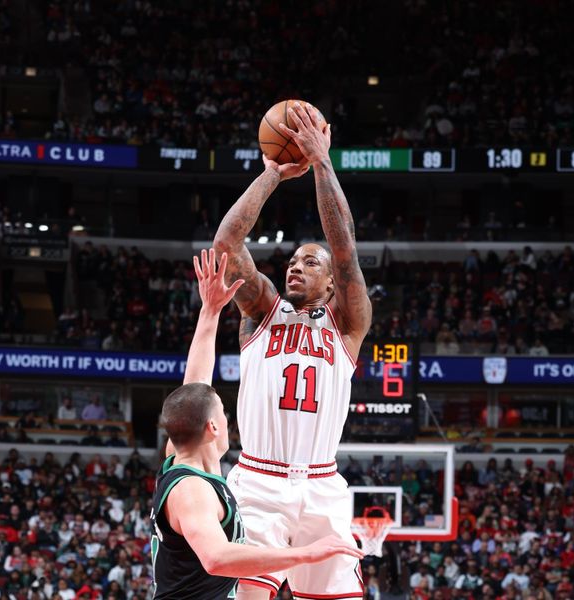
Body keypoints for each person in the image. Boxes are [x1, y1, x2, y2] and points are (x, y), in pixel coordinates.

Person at [213, 102, 372, 599]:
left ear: (331, 282)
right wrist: (271, 175)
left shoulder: (348, 325)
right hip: (258, 484)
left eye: (310, 262)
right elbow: (226, 243)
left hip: (323, 488)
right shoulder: (262, 311)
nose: (295, 267)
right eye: (293, 261)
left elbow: (343, 246)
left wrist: (322, 163)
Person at [154, 249, 363, 599]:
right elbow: (218, 558)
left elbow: (194, 387)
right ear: (212, 428)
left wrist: (210, 312)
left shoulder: (182, 458)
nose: (228, 417)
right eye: (223, 411)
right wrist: (303, 555)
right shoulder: (192, 492)